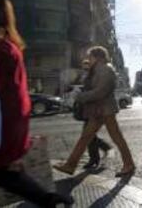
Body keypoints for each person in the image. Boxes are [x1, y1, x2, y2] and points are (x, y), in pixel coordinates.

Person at [0, 0, 73, 207]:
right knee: (3, 174)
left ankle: (49, 199)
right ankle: (49, 200)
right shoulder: (9, 47)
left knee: (3, 173)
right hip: (10, 126)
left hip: (0, 129)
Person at [54, 46, 135, 177]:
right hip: (98, 110)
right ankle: (70, 165)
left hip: (105, 110)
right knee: (86, 137)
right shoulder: (97, 70)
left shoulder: (106, 70)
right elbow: (89, 86)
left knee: (116, 137)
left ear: (98, 57)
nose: (88, 59)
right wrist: (86, 73)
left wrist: (80, 97)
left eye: (90, 57)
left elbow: (100, 92)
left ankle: (129, 164)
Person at [79, 59, 112, 169]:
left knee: (87, 135)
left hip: (94, 109)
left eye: (86, 66)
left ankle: (94, 158)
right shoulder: (88, 76)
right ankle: (102, 149)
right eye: (83, 66)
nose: (84, 68)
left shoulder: (95, 76)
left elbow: (96, 92)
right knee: (89, 135)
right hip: (89, 109)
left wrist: (82, 95)